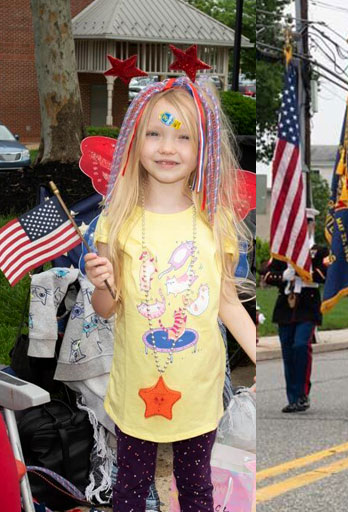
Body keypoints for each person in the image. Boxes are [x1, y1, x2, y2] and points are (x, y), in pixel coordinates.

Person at [83, 77, 258, 511]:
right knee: (131, 488)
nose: (168, 147)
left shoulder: (215, 223)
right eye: (155, 133)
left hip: (198, 388)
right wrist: (102, 283)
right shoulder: (116, 223)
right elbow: (106, 310)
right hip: (136, 388)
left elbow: (229, 305)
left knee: (197, 488)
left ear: (204, 149)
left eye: (184, 137)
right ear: (134, 142)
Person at [263, 208, 329, 413]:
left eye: (307, 224)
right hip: (286, 305)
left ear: (312, 226)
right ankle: (293, 397)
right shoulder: (283, 253)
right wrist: (284, 275)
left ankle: (302, 393)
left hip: (307, 305)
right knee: (288, 352)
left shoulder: (320, 251)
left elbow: (324, 274)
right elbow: (267, 276)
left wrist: (303, 272)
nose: (303, 228)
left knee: (301, 346)